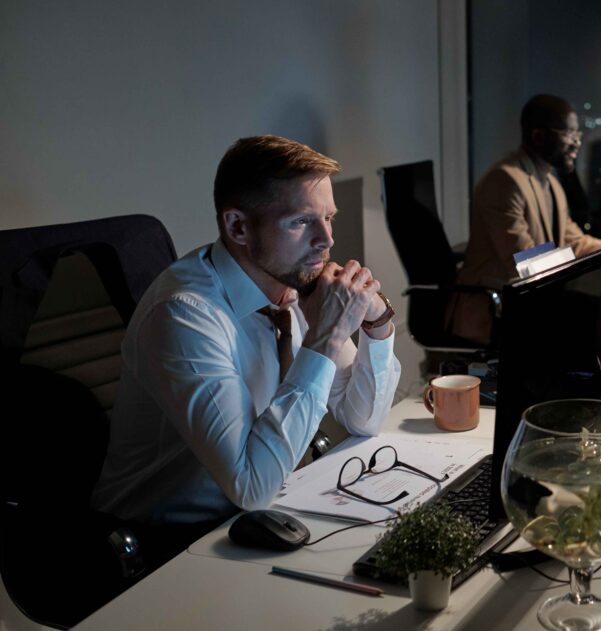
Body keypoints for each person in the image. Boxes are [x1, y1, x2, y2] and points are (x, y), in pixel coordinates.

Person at [92, 135, 401, 541]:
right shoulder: (184, 315)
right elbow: (251, 487)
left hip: (268, 516)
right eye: (301, 221)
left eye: (329, 218)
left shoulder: (290, 283)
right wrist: (325, 336)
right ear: (237, 226)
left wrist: (377, 325)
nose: (326, 240)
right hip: (166, 546)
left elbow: (363, 419)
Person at [450, 94, 601, 344]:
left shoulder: (550, 181)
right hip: (496, 311)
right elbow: (524, 262)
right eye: (569, 134)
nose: (577, 142)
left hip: (532, 303)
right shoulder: (505, 182)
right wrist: (575, 259)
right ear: (538, 136)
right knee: (596, 318)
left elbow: (575, 241)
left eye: (578, 134)